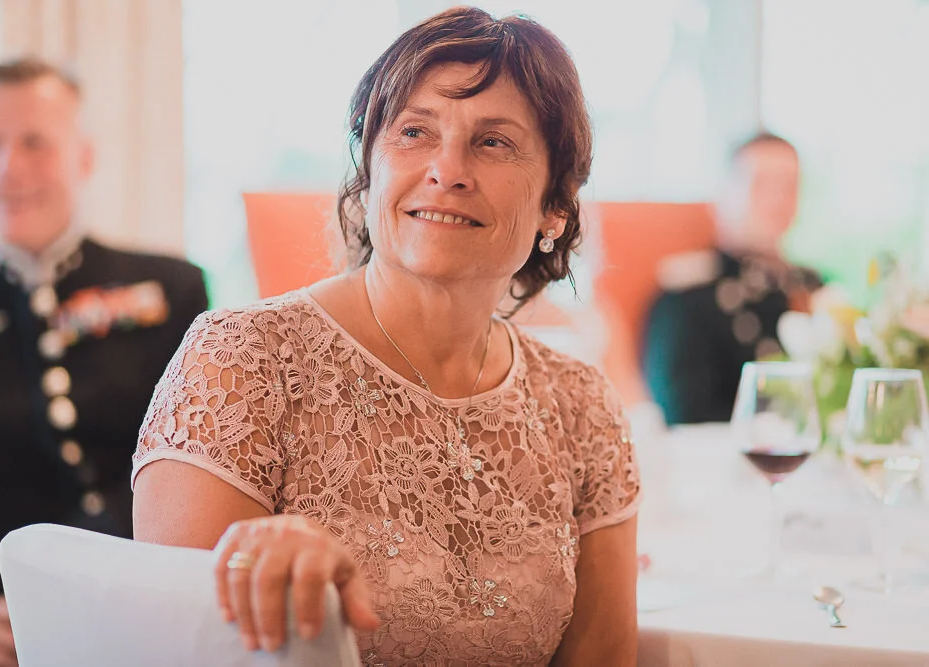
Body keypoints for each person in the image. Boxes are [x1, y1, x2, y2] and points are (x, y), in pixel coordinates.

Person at [133, 8, 641, 665]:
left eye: (493, 142)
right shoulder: (241, 361)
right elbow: (174, 649)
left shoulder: (581, 405)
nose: (447, 170)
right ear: (369, 170)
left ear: (556, 208)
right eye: (414, 132)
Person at [0, 58, 208, 666]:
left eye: (35, 142)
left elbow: (202, 471)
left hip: (146, 624)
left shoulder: (172, 290)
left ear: (84, 157)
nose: (8, 167)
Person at [642, 131, 822, 425]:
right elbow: (684, 414)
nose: (777, 200)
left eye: (790, 186)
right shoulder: (690, 296)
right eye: (760, 184)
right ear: (722, 195)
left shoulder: (813, 287)